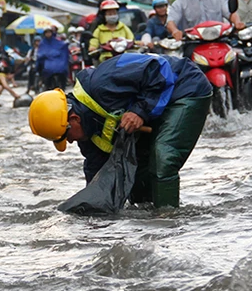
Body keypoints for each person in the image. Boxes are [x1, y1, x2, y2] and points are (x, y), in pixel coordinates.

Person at [27, 53, 213, 208]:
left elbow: (159, 68)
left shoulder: (103, 83)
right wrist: (91, 208)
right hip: (155, 108)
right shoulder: (86, 132)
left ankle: (168, 220)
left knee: (163, 157)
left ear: (73, 119)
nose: (69, 142)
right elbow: (96, 171)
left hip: (185, 90)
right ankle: (148, 222)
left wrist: (139, 111)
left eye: (66, 136)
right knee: (136, 174)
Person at [36, 25, 71, 90]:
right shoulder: (42, 43)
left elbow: (62, 48)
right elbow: (40, 53)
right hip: (47, 63)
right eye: (46, 32)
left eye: (49, 32)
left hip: (58, 62)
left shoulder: (58, 42)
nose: (48, 34)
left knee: (63, 70)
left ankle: (63, 86)